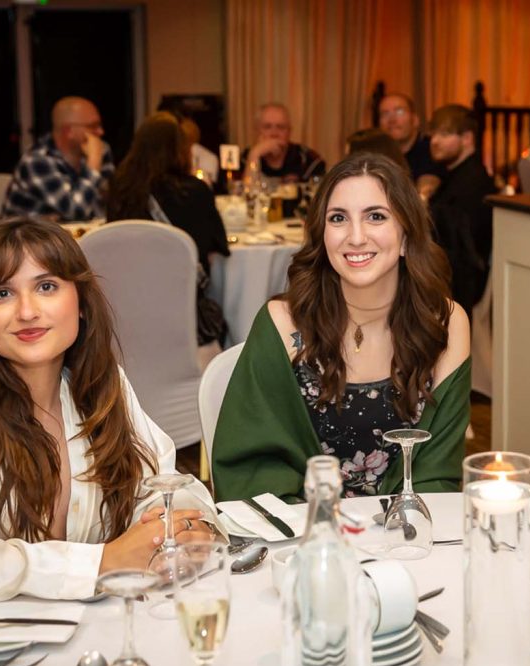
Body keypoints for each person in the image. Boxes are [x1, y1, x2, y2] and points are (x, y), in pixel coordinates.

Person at [0, 219, 220, 655]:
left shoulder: (97, 390)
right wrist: (102, 562)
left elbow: (161, 483)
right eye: (2, 293)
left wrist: (187, 523)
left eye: (47, 286)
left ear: (81, 302)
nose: (27, 311)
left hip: (74, 634)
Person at [211, 152, 471, 502]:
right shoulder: (283, 323)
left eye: (376, 216)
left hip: (408, 539)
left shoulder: (445, 324)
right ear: (322, 235)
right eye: (338, 219)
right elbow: (252, 471)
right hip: (306, 538)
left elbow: (437, 474)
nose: (356, 236)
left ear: (406, 235)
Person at [107, 112, 230, 348]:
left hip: (127, 305)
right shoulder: (194, 191)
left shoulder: (119, 189)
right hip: (182, 309)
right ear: (181, 150)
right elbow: (217, 246)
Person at [427, 104, 496, 315]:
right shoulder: (453, 176)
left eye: (444, 134)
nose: (434, 141)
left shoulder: (472, 184)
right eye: (433, 134)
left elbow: (463, 253)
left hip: (460, 292)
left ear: (466, 138)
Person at [2, 97, 114, 221]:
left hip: (74, 236)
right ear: (68, 131)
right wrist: (93, 164)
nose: (100, 132)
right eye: (93, 126)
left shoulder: (102, 150)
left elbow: (110, 204)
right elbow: (76, 212)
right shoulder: (37, 160)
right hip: (29, 237)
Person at [378, 93, 444, 198]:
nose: (392, 120)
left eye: (399, 111)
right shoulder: (376, 155)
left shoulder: (431, 149)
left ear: (415, 120)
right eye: (385, 114)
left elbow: (426, 190)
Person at [243, 103, 325, 183]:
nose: (274, 133)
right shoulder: (244, 158)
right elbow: (246, 193)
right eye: (267, 127)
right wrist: (254, 155)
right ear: (257, 131)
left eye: (281, 127)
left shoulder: (309, 160)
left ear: (289, 131)